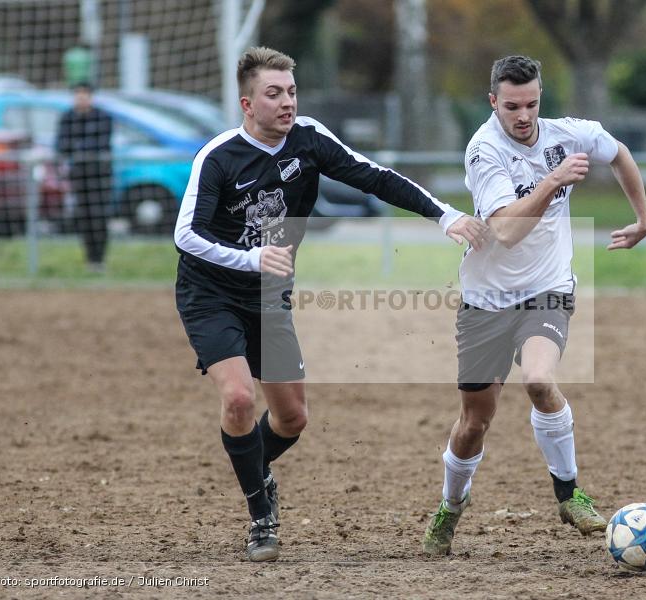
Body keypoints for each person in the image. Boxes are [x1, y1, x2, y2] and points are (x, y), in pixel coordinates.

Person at [173, 47, 488, 562]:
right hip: (211, 293)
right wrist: (252, 259)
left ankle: (254, 467)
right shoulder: (218, 156)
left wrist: (445, 215)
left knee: (292, 418)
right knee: (237, 400)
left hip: (270, 296)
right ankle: (261, 513)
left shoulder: (309, 139)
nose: (287, 102)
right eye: (274, 93)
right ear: (247, 104)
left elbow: (376, 177)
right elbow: (186, 235)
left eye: (292, 91)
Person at [422, 55, 646, 556]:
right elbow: (505, 231)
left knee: (539, 381)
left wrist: (643, 218)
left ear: (540, 97)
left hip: (547, 288)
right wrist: (553, 181)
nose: (523, 116)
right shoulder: (484, 151)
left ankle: (569, 494)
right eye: (511, 106)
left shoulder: (567, 133)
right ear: (493, 103)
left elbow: (619, 153)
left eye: (531, 103)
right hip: (485, 300)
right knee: (474, 423)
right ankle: (450, 507)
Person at [55, 81, 113, 274]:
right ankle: (90, 259)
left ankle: (100, 259)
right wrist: (81, 147)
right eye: (78, 93)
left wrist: (79, 146)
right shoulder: (67, 117)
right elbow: (62, 145)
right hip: (79, 175)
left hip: (100, 175)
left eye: (85, 94)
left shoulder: (102, 117)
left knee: (99, 217)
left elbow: (101, 143)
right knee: (83, 217)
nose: (81, 97)